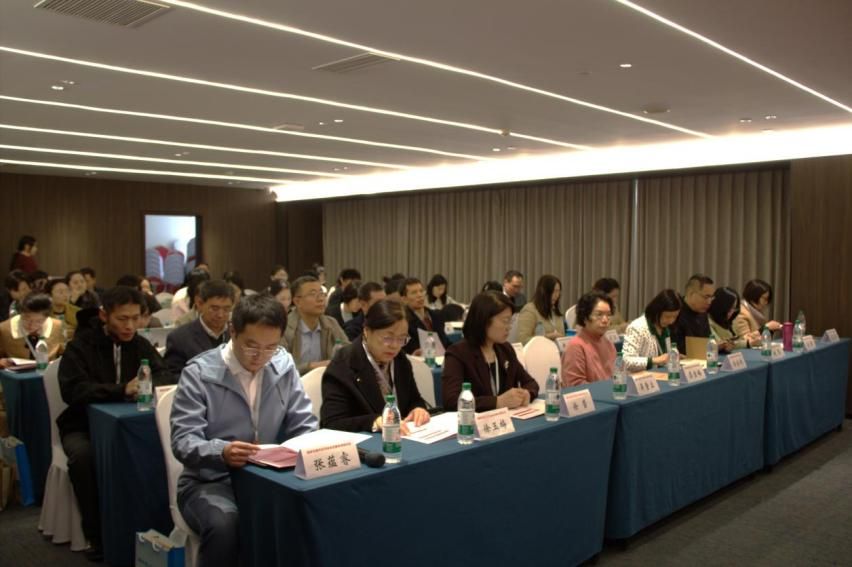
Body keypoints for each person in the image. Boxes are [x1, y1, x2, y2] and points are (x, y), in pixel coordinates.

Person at [170, 294, 317, 567]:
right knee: (225, 525)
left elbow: (304, 424)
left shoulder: (282, 365)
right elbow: (183, 441)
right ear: (232, 332)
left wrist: (306, 449)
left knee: (310, 511)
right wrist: (221, 451)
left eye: (270, 347)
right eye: (251, 346)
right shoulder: (200, 373)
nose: (260, 357)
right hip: (209, 481)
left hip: (267, 479)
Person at [58, 286, 174, 561]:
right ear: (104, 315)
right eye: (122, 319)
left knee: (158, 450)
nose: (130, 325)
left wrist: (145, 385)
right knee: (84, 458)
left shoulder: (140, 344)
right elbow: (73, 390)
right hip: (82, 425)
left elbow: (165, 375)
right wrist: (120, 390)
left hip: (131, 424)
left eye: (136, 318)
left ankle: (151, 528)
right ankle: (96, 535)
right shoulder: (81, 346)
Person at [322, 299, 430, 432]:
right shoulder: (344, 364)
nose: (395, 346)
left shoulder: (400, 359)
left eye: (401, 339)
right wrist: (374, 422)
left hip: (402, 436)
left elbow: (414, 399)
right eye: (387, 338)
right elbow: (331, 423)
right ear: (367, 331)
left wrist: (418, 409)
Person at [442, 291, 538, 410]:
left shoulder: (505, 349)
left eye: (511, 321)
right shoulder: (458, 353)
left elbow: (531, 383)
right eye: (505, 321)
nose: (509, 327)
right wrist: (496, 402)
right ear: (484, 321)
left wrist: (527, 393)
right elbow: (451, 401)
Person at [165, 280, 235, 374]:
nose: (220, 315)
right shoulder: (179, 338)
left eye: (226, 309)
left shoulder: (237, 335)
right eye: (215, 308)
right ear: (199, 303)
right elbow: (172, 376)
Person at [282, 276, 349, 374]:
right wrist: (312, 366)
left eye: (321, 293)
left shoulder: (331, 323)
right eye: (313, 294)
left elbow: (348, 352)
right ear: (297, 301)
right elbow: (282, 368)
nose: (320, 299)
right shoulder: (284, 327)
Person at [561, 291, 617, 386]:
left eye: (608, 315)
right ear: (585, 317)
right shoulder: (576, 347)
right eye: (599, 314)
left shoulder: (608, 344)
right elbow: (575, 385)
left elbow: (616, 377)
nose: (605, 320)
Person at [622, 290, 682, 372]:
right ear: (657, 311)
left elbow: (664, 357)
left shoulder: (666, 328)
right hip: (640, 377)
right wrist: (655, 360)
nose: (671, 321)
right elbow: (626, 361)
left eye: (675, 316)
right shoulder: (637, 327)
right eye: (667, 316)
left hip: (660, 374)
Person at [0, 292, 65, 367]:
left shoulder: (57, 326)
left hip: (48, 371)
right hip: (16, 372)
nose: (32, 325)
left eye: (39, 321)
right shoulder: (4, 329)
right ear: (20, 313)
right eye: (26, 319)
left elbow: (64, 353)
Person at [399, 277, 450, 355]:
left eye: (421, 291)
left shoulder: (436, 315)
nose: (419, 295)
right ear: (404, 299)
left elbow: (445, 343)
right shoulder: (404, 322)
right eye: (414, 293)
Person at [516, 274, 565, 345]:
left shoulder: (554, 311)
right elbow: (523, 340)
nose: (556, 295)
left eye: (558, 291)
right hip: (537, 350)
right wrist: (547, 337)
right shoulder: (529, 310)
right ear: (543, 292)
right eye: (553, 291)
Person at [671, 274, 715, 351]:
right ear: (692, 294)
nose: (709, 302)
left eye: (711, 297)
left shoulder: (703, 312)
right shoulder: (675, 312)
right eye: (706, 297)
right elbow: (676, 347)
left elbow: (708, 340)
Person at [709, 287, 761, 352]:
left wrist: (749, 343)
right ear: (720, 306)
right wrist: (748, 343)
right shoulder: (708, 321)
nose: (732, 312)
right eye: (729, 308)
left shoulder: (731, 320)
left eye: (734, 308)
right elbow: (721, 344)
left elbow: (737, 341)